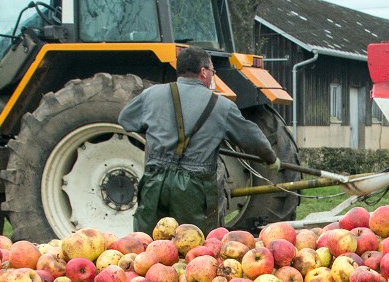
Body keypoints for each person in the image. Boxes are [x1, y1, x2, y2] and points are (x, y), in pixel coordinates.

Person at [120, 46, 281, 233]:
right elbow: (251, 138)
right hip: (194, 188)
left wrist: (156, 130)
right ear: (203, 71)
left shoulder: (151, 95)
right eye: (212, 70)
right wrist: (270, 159)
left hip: (155, 182)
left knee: (148, 245)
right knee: (196, 248)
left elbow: (126, 120)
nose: (212, 75)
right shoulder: (221, 106)